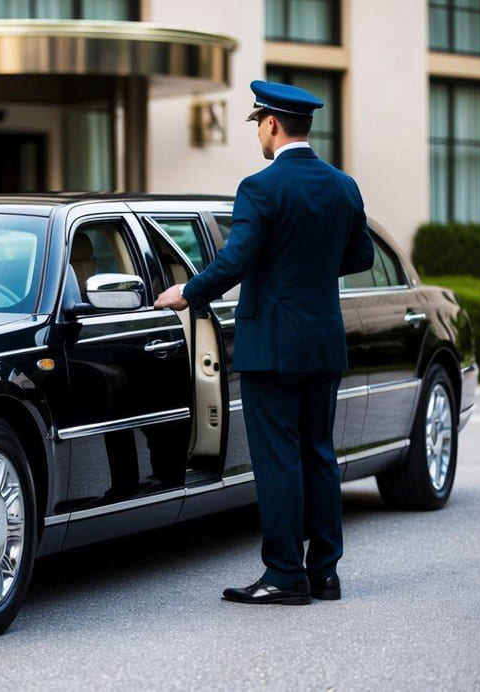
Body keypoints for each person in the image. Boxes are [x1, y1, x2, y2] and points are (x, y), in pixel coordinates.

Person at [155, 80, 374, 605]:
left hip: (272, 345)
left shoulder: (260, 187)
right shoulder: (344, 185)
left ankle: (283, 575)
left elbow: (236, 261)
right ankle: (324, 574)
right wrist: (310, 268)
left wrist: (188, 291)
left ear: (272, 124)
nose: (258, 133)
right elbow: (361, 255)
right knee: (318, 454)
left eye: (258, 124)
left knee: (278, 460)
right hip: (322, 341)